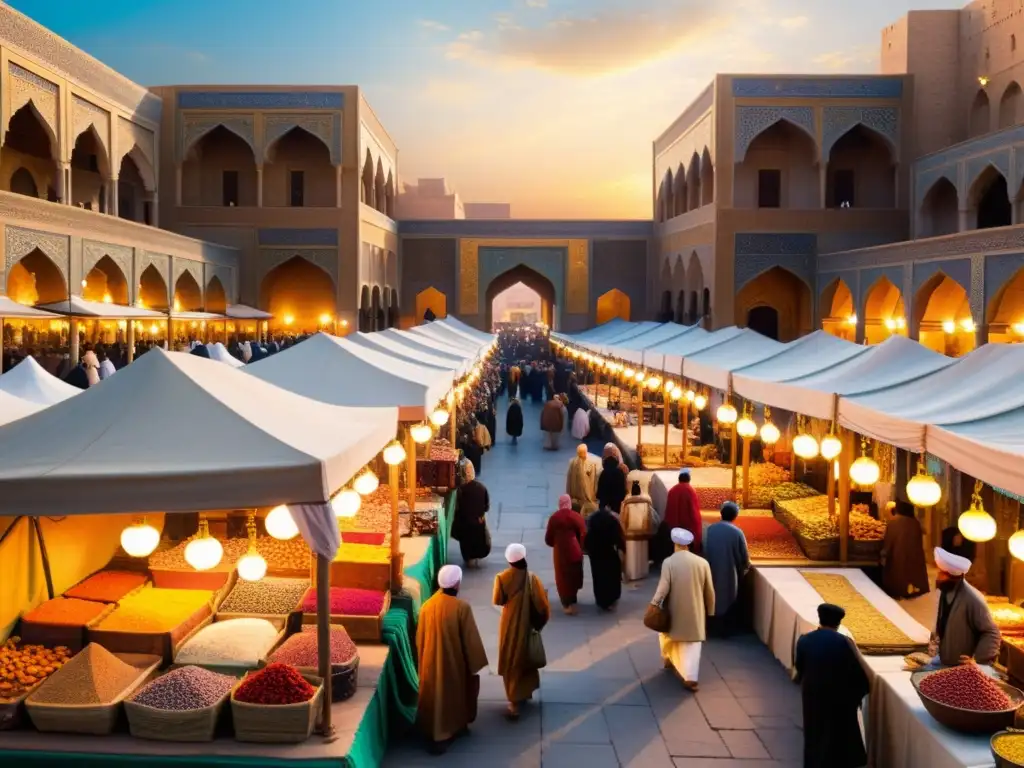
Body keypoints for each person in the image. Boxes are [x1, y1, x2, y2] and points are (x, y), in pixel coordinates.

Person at [416, 565, 489, 754]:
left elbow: (419, 639)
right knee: (454, 694)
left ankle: (433, 730)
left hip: (431, 662)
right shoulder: (461, 608)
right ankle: (449, 731)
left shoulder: (426, 606)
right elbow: (470, 640)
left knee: (434, 695)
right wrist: (475, 663)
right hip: (453, 663)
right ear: (457, 584)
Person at [794, 603, 870, 768]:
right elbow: (858, 674)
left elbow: (800, 667)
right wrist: (857, 697)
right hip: (838, 701)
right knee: (837, 738)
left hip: (812, 696)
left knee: (814, 733)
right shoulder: (844, 642)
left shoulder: (804, 639)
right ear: (838, 623)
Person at [651, 528, 715, 691]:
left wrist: (654, 603)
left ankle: (668, 658)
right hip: (696, 610)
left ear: (675, 544)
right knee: (693, 643)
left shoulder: (669, 562)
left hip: (674, 607)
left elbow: (663, 588)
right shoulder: (702, 563)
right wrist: (711, 610)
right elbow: (709, 591)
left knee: (667, 635)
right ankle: (691, 678)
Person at [493, 543, 551, 720]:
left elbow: (498, 600)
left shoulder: (502, 578)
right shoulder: (533, 579)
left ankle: (513, 701)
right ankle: (524, 693)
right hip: (527, 626)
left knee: (511, 659)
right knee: (525, 658)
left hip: (509, 626)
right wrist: (537, 625)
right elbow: (543, 608)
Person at [932, 547, 1000, 666]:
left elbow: (991, 632)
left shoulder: (972, 598)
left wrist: (978, 661)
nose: (937, 577)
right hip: (945, 662)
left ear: (951, 576)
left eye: (941, 574)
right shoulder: (946, 591)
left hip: (963, 668)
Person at [704, 501, 750, 636]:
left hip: (710, 570)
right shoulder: (737, 532)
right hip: (729, 572)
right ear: (735, 516)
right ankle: (724, 630)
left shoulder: (710, 529)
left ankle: (710, 627)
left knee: (711, 597)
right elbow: (744, 557)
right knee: (728, 598)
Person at [544, 494, 587, 614]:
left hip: (560, 553)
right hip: (575, 550)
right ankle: (573, 599)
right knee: (574, 574)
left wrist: (555, 544)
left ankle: (566, 603)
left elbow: (548, 538)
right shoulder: (576, 517)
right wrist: (581, 546)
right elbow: (583, 532)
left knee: (562, 577)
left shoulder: (554, 518)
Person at [881, 501, 929, 600]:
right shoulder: (915, 523)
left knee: (899, 574)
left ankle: (899, 590)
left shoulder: (894, 521)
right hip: (914, 556)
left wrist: (884, 553)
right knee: (912, 574)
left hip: (898, 554)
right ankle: (911, 590)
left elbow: (889, 539)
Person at [586, 503, 625, 611]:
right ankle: (612, 599)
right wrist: (622, 549)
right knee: (612, 577)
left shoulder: (593, 520)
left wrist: (588, 550)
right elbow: (618, 537)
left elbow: (588, 538)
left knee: (599, 578)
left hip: (596, 555)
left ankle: (601, 601)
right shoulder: (612, 520)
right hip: (609, 553)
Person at [657, 469, 703, 562]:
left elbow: (668, 510)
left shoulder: (672, 490)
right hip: (687, 527)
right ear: (689, 480)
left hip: (674, 527)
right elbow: (694, 512)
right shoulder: (690, 490)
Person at [453, 463, 492, 567]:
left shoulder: (460, 490)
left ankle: (468, 557)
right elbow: (486, 507)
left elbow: (456, 509)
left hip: (464, 524)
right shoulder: (482, 488)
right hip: (479, 523)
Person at [620, 480, 657, 582]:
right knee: (641, 555)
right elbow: (649, 518)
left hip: (629, 535)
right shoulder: (646, 502)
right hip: (643, 533)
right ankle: (642, 573)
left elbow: (623, 519)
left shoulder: (626, 503)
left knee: (632, 556)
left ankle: (632, 574)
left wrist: (623, 532)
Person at [566, 444, 599, 517]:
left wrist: (568, 493)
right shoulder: (590, 464)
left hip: (574, 495)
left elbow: (569, 480)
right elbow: (593, 481)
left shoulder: (572, 463)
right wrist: (593, 496)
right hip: (586, 496)